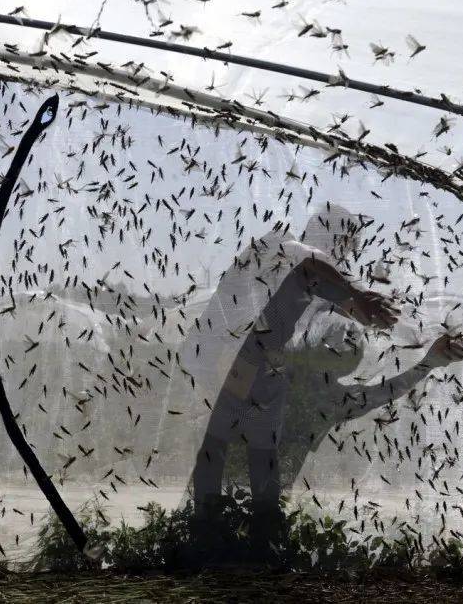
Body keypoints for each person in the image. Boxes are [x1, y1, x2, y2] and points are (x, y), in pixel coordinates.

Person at [166, 205, 402, 551]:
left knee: (253, 449)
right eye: (346, 243)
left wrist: (364, 309)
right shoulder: (283, 244)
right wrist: (359, 295)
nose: (347, 252)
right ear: (329, 234)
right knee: (223, 446)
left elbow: (327, 294)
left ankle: (246, 534)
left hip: (256, 360)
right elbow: (313, 265)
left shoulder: (308, 270)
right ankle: (213, 531)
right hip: (233, 354)